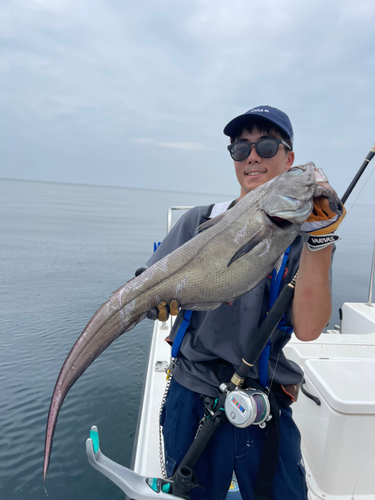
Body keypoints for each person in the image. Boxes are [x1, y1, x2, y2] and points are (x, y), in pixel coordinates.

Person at [143, 105, 344, 500]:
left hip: (262, 397)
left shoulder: (304, 236)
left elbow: (308, 329)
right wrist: (154, 300)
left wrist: (321, 240)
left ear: (288, 158)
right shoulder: (198, 222)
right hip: (192, 389)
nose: (252, 156)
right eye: (241, 149)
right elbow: (150, 283)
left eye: (267, 146)